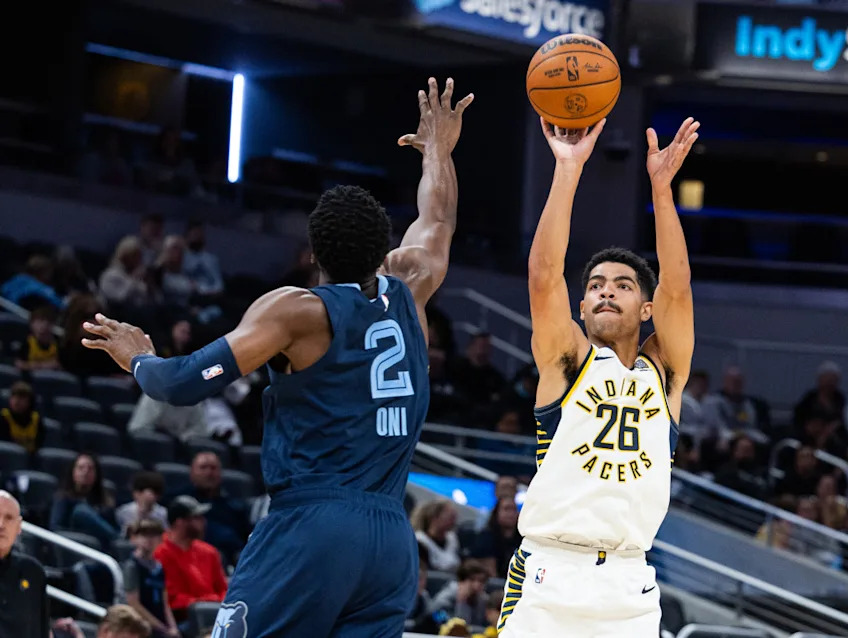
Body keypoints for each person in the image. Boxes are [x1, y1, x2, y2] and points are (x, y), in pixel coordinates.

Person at [83, 76, 473, 637]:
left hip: (314, 526)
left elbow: (181, 383)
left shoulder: (296, 311)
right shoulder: (412, 285)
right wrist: (438, 150)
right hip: (391, 540)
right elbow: (437, 219)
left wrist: (139, 357)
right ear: (383, 248)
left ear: (312, 252)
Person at [501, 115, 699, 638]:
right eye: (594, 285)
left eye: (623, 285)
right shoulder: (567, 360)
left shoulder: (664, 372)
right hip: (550, 572)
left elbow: (678, 289)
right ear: (582, 306)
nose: (606, 290)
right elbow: (544, 276)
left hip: (629, 584)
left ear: (647, 308)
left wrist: (662, 190)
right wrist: (568, 169)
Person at [0, 491, 48, 638]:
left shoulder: (33, 572)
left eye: (9, 518)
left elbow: (42, 631)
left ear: (19, 526)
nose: (1, 525)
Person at [122, 519, 178, 637]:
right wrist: (162, 628)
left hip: (159, 624)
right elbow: (133, 603)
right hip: (138, 624)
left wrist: (173, 627)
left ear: (161, 539)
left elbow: (164, 603)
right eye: (144, 534)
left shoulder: (159, 567)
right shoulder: (132, 566)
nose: (149, 539)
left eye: (154, 535)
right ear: (134, 538)